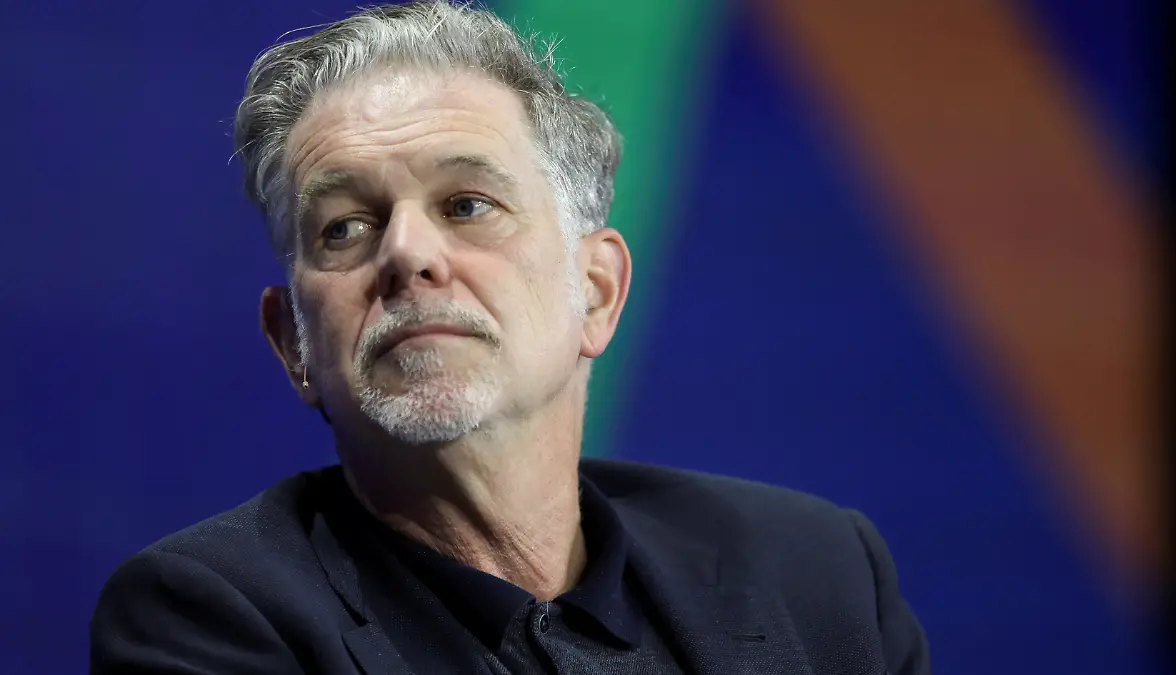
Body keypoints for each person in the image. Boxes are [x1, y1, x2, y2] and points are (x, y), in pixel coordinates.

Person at [90, 2, 930, 673]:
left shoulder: (815, 571)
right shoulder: (208, 620)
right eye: (345, 227)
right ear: (294, 344)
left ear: (596, 291)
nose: (407, 253)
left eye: (466, 205)